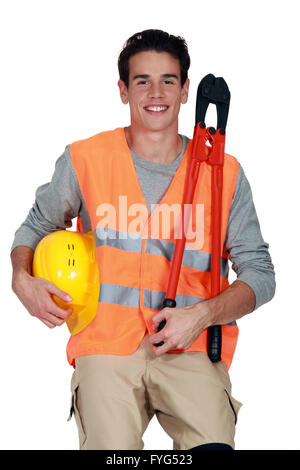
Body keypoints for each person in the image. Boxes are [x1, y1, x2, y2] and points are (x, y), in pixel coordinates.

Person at [10, 29, 275, 451]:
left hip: (190, 349)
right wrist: (21, 280)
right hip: (106, 349)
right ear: (123, 90)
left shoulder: (223, 174)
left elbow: (261, 275)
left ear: (186, 90)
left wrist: (202, 315)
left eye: (168, 80)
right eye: (142, 81)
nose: (156, 92)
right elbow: (35, 227)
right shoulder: (85, 159)